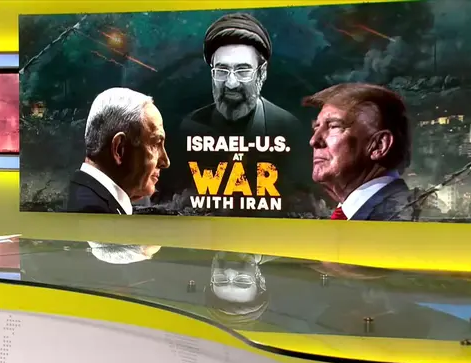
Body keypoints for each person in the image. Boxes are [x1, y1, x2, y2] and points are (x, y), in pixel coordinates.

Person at [158, 12, 314, 215]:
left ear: (262, 73)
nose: (231, 83)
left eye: (243, 70)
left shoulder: (288, 129)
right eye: (222, 71)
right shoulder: (189, 127)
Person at [302, 82, 413, 221]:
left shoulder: (399, 220)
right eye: (316, 127)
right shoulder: (356, 214)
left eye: (334, 126)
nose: (313, 140)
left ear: (379, 145)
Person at [65, 87, 170, 214]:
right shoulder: (96, 214)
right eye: (155, 144)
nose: (165, 161)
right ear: (119, 149)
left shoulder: (85, 197)